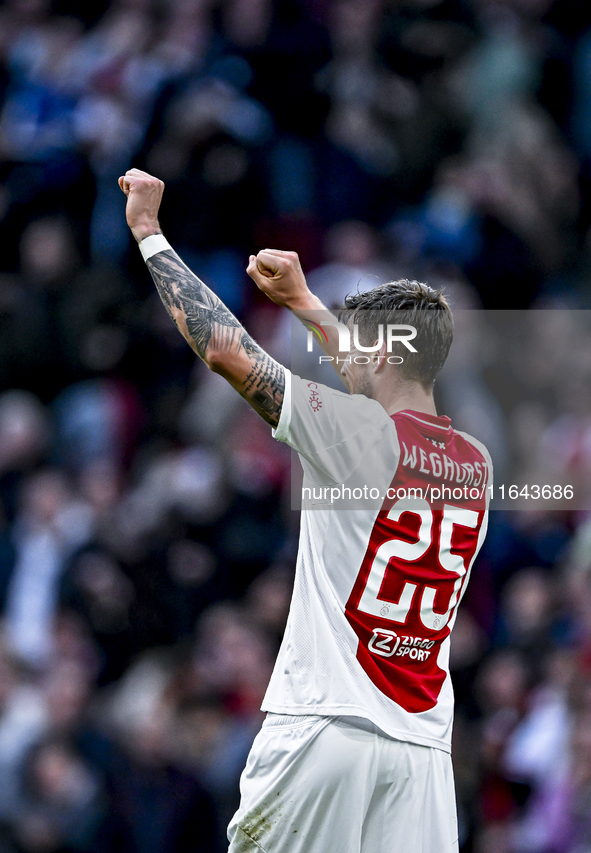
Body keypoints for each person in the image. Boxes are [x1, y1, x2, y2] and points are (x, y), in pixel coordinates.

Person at [119, 168, 492, 853]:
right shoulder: (474, 463)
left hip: (325, 728)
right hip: (420, 753)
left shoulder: (351, 430)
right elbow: (381, 374)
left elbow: (225, 349)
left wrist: (149, 233)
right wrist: (305, 303)